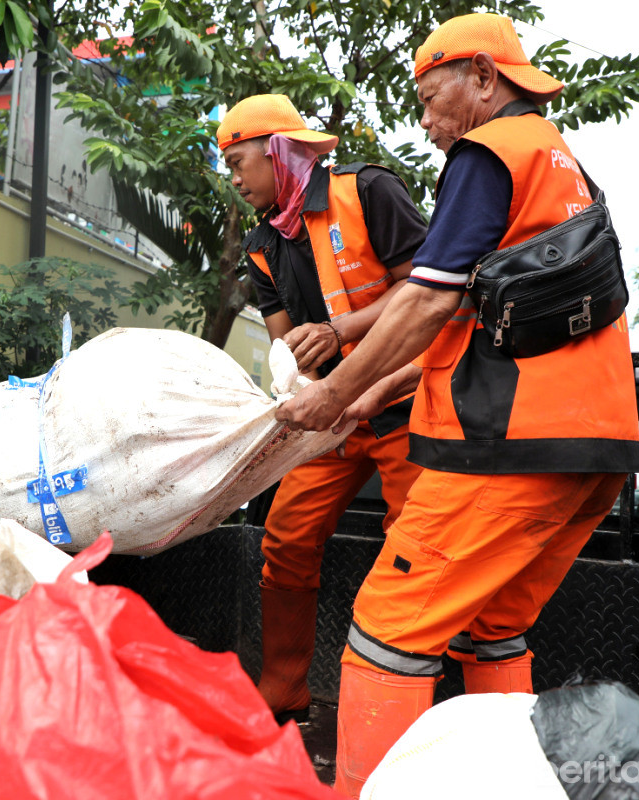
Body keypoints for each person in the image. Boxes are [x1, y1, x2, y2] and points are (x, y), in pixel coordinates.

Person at [274, 14, 639, 796]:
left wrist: (333, 389)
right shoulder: (562, 165)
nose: (428, 121)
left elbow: (425, 303)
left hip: (509, 450)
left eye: (432, 97)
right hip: (596, 447)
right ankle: (505, 784)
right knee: (494, 629)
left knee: (383, 633)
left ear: (482, 77)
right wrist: (369, 396)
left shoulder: (488, 153)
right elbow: (495, 324)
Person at [215, 94, 429, 724]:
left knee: (412, 548)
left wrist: (340, 331)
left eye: (238, 161)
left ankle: (411, 707)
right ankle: (283, 690)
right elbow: (287, 342)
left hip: (408, 400)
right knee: (285, 538)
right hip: (333, 414)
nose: (233, 178)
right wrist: (307, 388)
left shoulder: (367, 192)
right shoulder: (261, 245)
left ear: (278, 150)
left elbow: (428, 290)